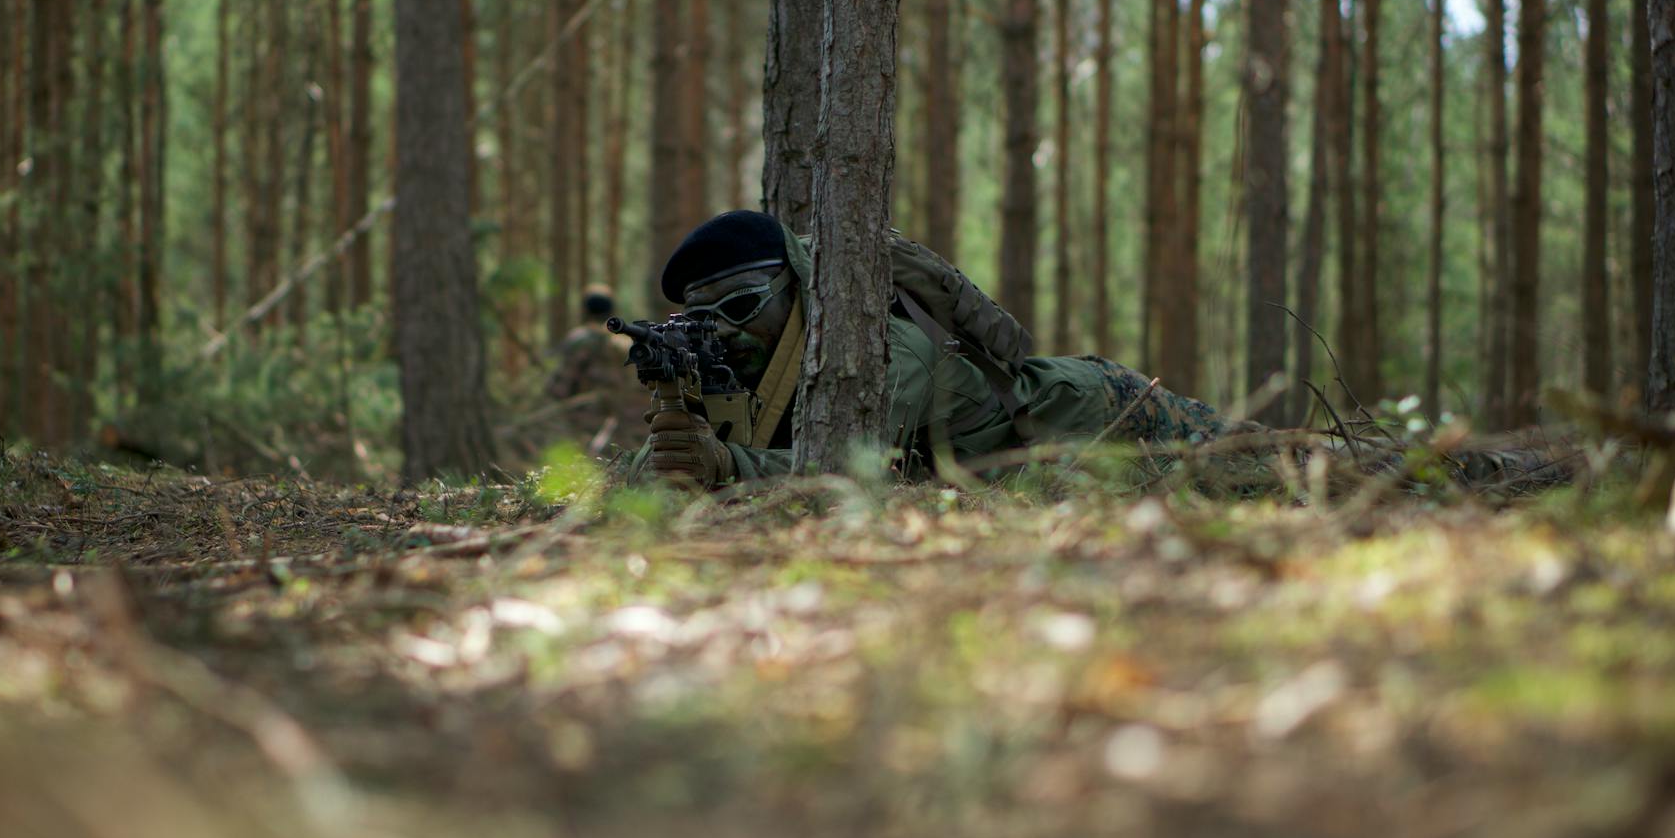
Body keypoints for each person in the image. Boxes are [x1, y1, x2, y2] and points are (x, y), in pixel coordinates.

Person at [633, 211, 1570, 492]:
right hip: (1036, 461)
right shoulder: (756, 366)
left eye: (744, 305)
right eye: (705, 319)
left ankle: (1493, 469)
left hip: (1099, 415)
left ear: (795, 289)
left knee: (1288, 472)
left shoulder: (872, 351)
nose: (727, 332)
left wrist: (731, 466)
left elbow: (849, 472)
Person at [546, 286, 649, 451]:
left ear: (586, 310)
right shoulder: (624, 342)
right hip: (622, 425)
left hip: (585, 423)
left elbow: (560, 386)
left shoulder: (579, 339)